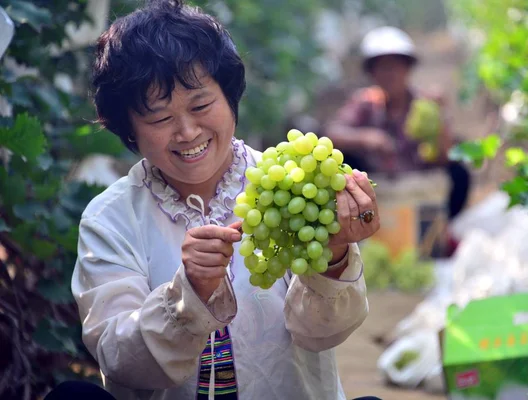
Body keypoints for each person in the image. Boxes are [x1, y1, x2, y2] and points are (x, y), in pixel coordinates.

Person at [46, 1, 382, 399]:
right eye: (159, 119)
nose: (187, 132)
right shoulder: (110, 219)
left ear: (230, 98)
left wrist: (336, 254)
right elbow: (122, 360)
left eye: (201, 105)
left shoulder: (286, 189)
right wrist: (189, 294)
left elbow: (322, 334)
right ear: (129, 130)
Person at [324, 26, 471, 237]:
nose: (389, 74)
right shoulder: (365, 102)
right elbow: (332, 133)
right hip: (378, 188)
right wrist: (366, 138)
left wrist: (440, 117)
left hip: (420, 189)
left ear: (407, 69)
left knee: (459, 172)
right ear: (372, 73)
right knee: (341, 162)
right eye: (383, 68)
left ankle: (440, 229)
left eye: (395, 66)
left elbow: (443, 155)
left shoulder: (425, 105)